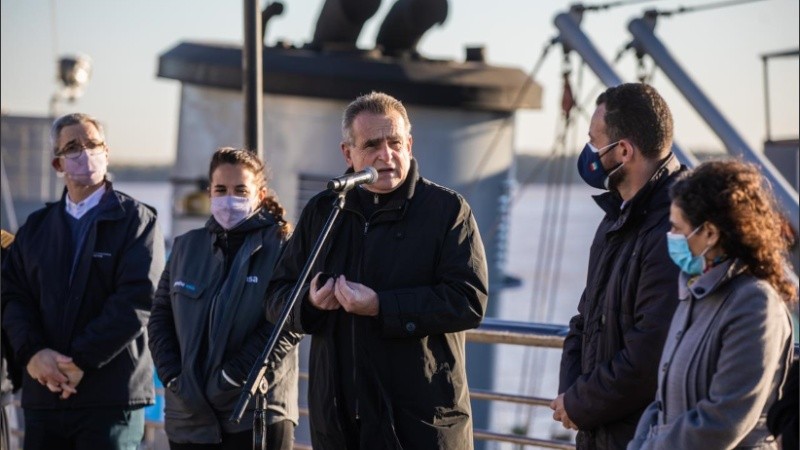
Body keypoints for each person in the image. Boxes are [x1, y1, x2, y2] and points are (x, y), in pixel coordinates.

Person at [265, 91, 489, 449]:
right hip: (339, 425)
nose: (386, 155)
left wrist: (382, 307)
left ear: (409, 145)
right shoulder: (324, 210)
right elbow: (276, 297)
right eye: (371, 145)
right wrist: (309, 303)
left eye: (395, 143)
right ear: (348, 153)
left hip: (420, 427)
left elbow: (468, 301)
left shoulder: (448, 210)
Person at [1, 113, 166, 450]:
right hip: (44, 397)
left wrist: (79, 361)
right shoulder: (35, 229)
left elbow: (137, 300)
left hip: (110, 397)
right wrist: (33, 354)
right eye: (73, 147)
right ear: (57, 163)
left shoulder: (137, 222)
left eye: (93, 144)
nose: (85, 152)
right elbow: (12, 296)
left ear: (106, 152)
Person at [551, 83, 686, 450]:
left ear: (623, 151)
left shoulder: (676, 226)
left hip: (644, 437)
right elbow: (585, 318)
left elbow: (650, 351)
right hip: (599, 430)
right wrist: (571, 398)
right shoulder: (615, 216)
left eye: (594, 141)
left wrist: (580, 403)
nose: (588, 151)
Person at [627, 159, 796, 449]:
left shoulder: (755, 304)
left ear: (710, 233)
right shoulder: (695, 293)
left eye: (677, 228)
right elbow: (661, 405)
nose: (671, 237)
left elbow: (723, 421)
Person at [148, 147, 301, 450]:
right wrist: (173, 378)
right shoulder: (185, 248)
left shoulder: (283, 247)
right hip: (189, 417)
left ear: (260, 194)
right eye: (221, 189)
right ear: (209, 192)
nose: (229, 198)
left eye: (240, 190)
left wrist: (233, 377)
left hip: (254, 415)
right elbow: (160, 318)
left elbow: (288, 324)